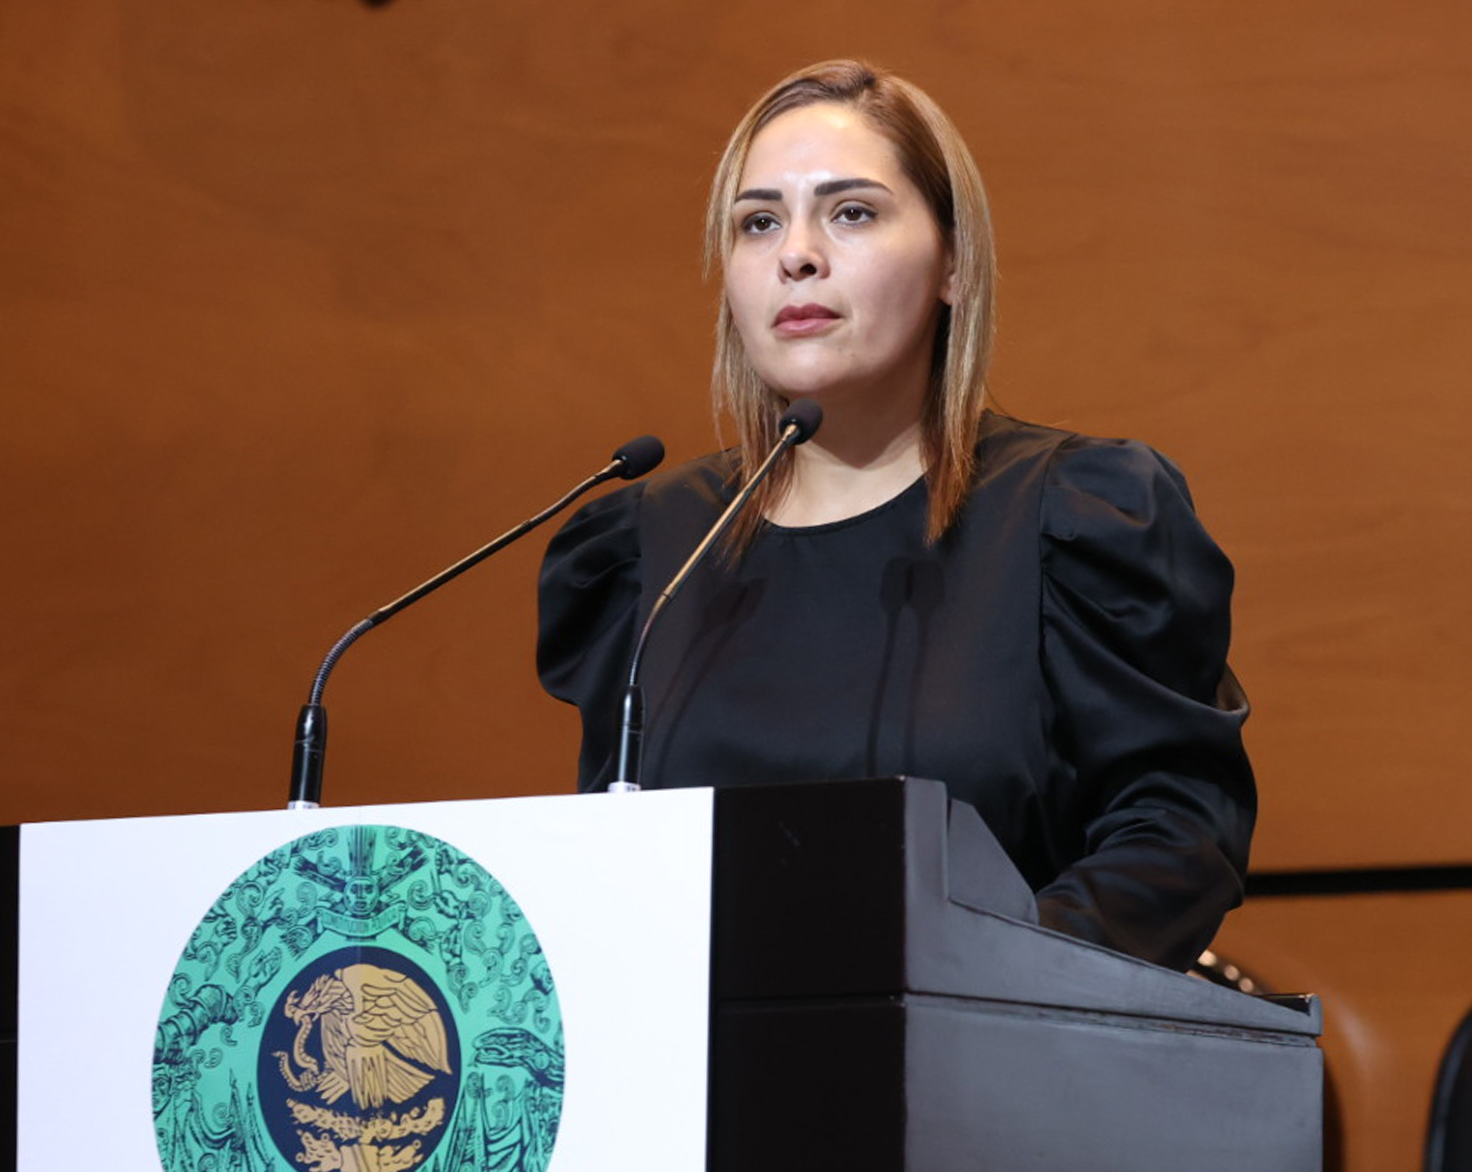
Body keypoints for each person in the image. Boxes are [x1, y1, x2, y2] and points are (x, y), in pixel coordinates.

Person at [536, 59, 1254, 972]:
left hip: (993, 1045)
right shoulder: (655, 547)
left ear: (953, 262)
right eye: (759, 222)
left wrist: (982, 975)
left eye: (851, 213)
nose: (796, 254)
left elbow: (1175, 834)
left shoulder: (1073, 516)